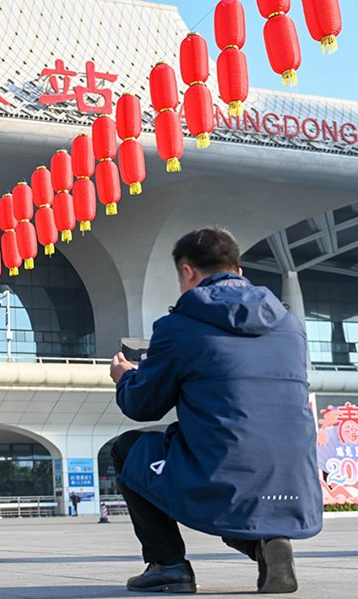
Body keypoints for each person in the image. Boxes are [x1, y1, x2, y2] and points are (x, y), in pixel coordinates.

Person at [109, 227, 322, 594]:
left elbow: (142, 406)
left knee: (129, 448)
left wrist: (126, 377)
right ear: (238, 270)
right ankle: (264, 545)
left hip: (226, 473)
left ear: (188, 272)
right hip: (294, 480)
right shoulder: (290, 324)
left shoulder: (179, 326)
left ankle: (168, 565)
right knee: (218, 461)